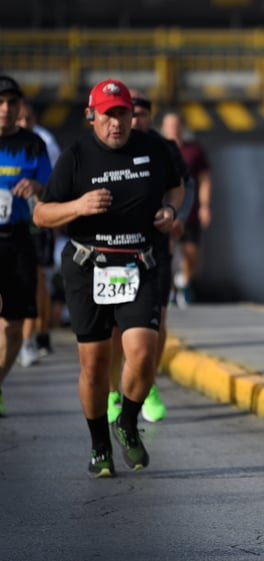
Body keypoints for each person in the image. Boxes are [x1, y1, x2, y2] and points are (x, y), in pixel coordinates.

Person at [33, 79, 183, 477]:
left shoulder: (154, 149)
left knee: (143, 353)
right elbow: (41, 215)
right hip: (87, 268)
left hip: (139, 263)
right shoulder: (76, 157)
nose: (116, 123)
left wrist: (170, 212)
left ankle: (128, 423)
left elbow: (176, 186)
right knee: (95, 367)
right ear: (92, 116)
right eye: (108, 115)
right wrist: (79, 206)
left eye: (122, 114)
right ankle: (100, 444)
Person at [106, 89, 194, 425]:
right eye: (132, 112)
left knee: (157, 321)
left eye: (142, 113)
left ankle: (147, 383)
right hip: (118, 248)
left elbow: (184, 185)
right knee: (116, 328)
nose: (136, 119)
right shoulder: (112, 148)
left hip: (157, 248)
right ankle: (115, 391)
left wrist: (177, 217)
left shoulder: (164, 148)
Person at [0, 75, 52, 415]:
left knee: (13, 327)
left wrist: (35, 185)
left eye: (11, 103)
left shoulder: (34, 145)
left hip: (18, 240)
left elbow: (49, 188)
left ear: (20, 107)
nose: (5, 109)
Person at [16, 99, 61, 362]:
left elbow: (55, 182)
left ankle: (32, 335)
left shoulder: (44, 143)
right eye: (18, 120)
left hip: (37, 220)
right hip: (8, 222)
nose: (22, 124)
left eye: (27, 120)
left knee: (35, 278)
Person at [159, 109, 211, 307]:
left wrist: (205, 206)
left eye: (176, 124)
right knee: (168, 251)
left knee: (191, 253)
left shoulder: (194, 151)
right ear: (163, 128)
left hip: (188, 212)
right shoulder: (158, 149)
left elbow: (204, 180)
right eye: (169, 125)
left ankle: (184, 282)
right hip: (165, 212)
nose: (173, 128)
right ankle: (171, 289)